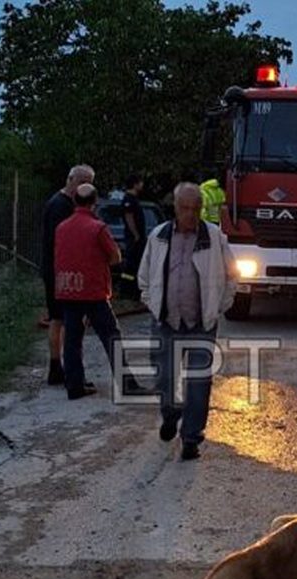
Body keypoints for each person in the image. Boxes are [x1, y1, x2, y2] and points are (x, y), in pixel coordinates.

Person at [137, 182, 237, 460]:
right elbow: (144, 275)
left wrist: (219, 306)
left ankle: (191, 438)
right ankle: (170, 416)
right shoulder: (159, 236)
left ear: (202, 209)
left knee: (198, 382)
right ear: (175, 207)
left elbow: (232, 275)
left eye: (196, 209)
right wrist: (151, 301)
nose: (190, 214)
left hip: (200, 324)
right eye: (185, 208)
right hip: (165, 321)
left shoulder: (214, 237)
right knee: (163, 379)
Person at [53, 183, 123, 400]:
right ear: (94, 202)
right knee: (112, 337)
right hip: (93, 292)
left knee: (72, 340)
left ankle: (74, 385)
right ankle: (126, 381)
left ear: (75, 201)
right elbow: (115, 257)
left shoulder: (61, 227)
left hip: (68, 290)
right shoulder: (98, 228)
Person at [41, 163, 95, 385]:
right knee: (64, 320)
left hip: (58, 270)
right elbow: (63, 243)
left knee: (60, 319)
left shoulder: (61, 203)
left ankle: (59, 369)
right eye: (82, 182)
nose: (84, 188)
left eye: (89, 184)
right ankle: (61, 369)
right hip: (60, 272)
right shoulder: (60, 206)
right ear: (70, 179)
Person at [120, 174, 146, 299]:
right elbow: (129, 217)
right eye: (140, 182)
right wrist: (135, 234)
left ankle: (134, 288)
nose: (142, 185)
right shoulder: (129, 200)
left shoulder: (134, 199)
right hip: (134, 238)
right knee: (131, 264)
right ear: (135, 184)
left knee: (137, 263)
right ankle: (127, 289)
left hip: (138, 237)